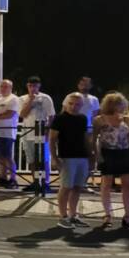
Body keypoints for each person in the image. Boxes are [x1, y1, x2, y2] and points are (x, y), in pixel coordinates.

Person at [50, 93, 94, 229]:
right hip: (67, 157)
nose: (74, 106)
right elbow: (52, 139)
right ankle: (63, 217)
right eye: (71, 103)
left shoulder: (82, 118)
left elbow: (85, 138)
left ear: (81, 106)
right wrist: (54, 158)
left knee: (78, 187)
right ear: (66, 104)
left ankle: (73, 215)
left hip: (82, 156)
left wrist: (91, 155)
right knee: (66, 187)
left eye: (77, 104)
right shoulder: (59, 119)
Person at [93, 93, 129, 228]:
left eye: (121, 103)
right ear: (109, 104)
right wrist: (97, 155)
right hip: (108, 153)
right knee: (106, 184)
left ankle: (128, 215)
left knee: (127, 184)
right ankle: (107, 215)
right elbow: (94, 139)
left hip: (124, 152)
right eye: (116, 103)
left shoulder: (127, 119)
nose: (120, 106)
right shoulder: (99, 119)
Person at [18, 76, 55, 191]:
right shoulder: (22, 99)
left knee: (43, 159)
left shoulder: (45, 98)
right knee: (32, 159)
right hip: (28, 132)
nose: (32, 88)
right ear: (27, 86)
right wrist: (30, 100)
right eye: (30, 86)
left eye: (35, 86)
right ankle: (35, 182)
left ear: (39, 86)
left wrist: (48, 131)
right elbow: (22, 114)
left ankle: (45, 182)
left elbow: (51, 115)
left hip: (41, 133)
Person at [0, 80, 21, 189]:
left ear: (10, 87)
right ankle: (3, 178)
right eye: (1, 86)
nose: (2, 88)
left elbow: (10, 114)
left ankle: (13, 179)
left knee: (7, 156)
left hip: (7, 132)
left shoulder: (14, 99)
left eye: (5, 86)